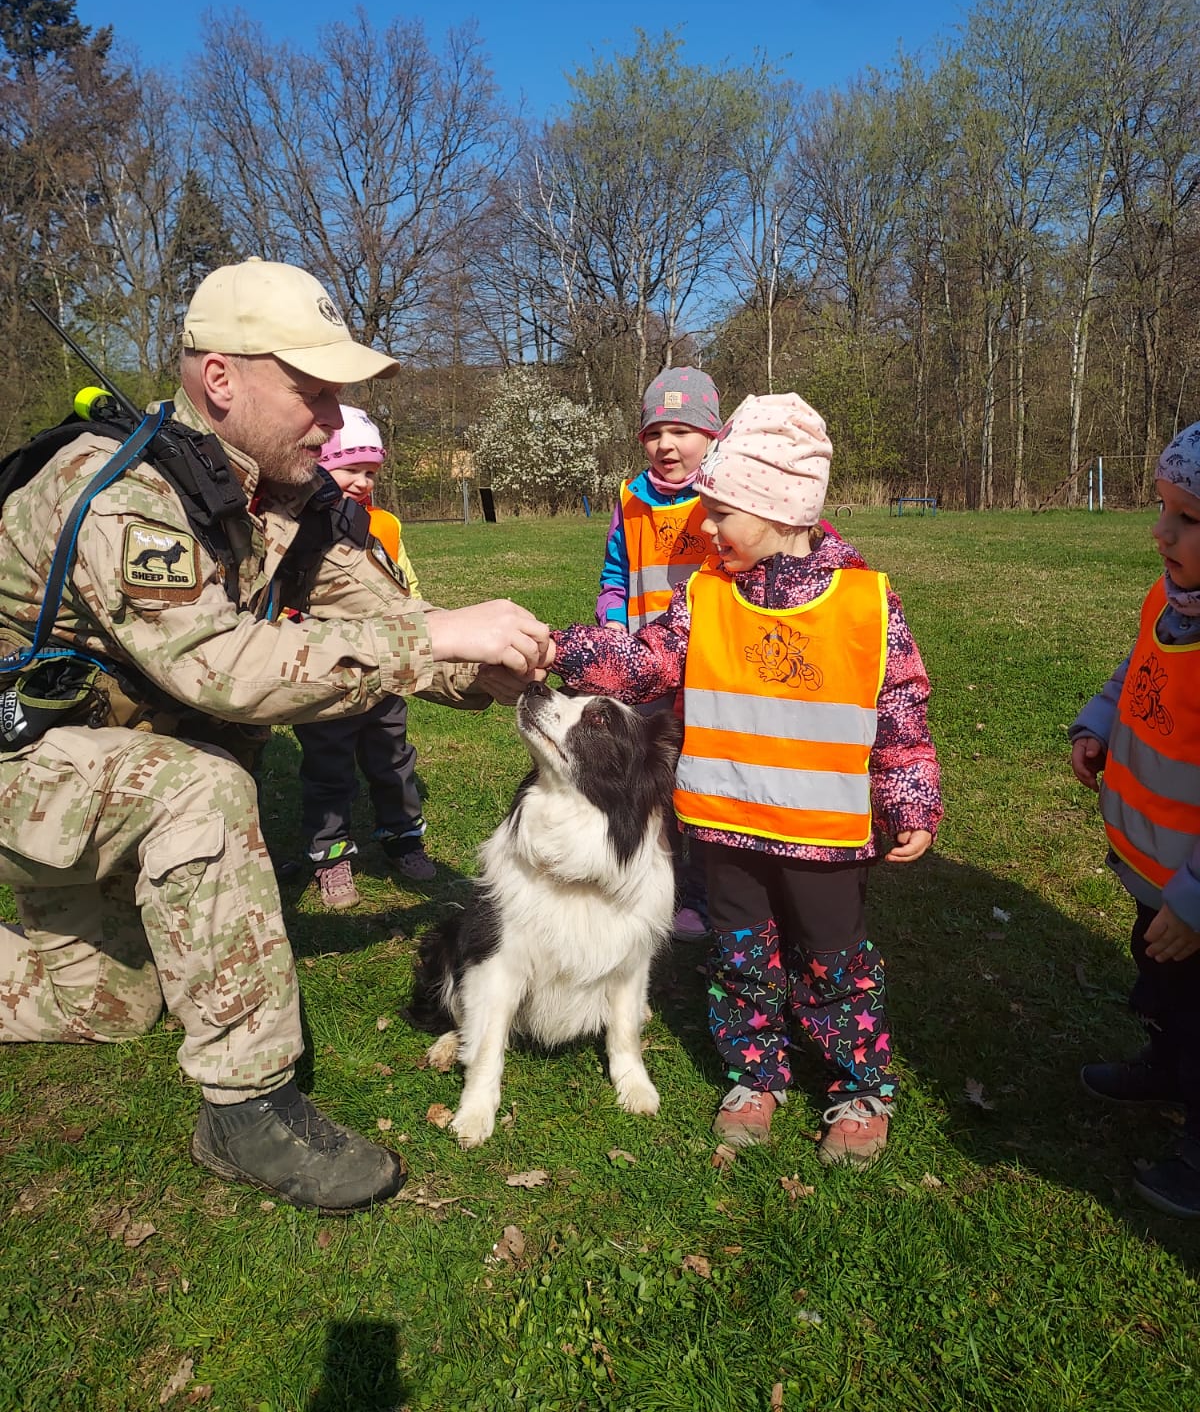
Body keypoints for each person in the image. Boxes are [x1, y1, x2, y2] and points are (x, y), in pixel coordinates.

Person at [0, 258, 551, 1215]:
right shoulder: (120, 493)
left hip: (99, 776)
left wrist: (482, 669)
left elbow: (387, 618)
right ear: (222, 379)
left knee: (122, 1003)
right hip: (24, 761)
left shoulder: (285, 506)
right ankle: (245, 1109)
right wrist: (432, 638)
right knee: (202, 786)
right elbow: (218, 666)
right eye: (313, 390)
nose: (333, 420)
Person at [554, 393, 942, 1166]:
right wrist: (557, 650)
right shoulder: (706, 595)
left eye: (721, 511)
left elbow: (898, 706)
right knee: (739, 954)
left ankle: (857, 1086)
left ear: (778, 512)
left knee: (835, 962)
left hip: (823, 836)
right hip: (725, 826)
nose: (704, 526)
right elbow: (645, 661)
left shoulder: (866, 603)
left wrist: (909, 799)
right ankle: (754, 1073)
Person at [1071, 420, 1200, 1219]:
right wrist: (1098, 723)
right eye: (1162, 509)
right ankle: (1165, 1064)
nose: (1161, 532)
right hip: (1156, 876)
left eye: (1187, 519)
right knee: (1161, 982)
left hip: (1193, 894)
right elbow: (1135, 672)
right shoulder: (1169, 597)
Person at [596, 367, 722, 940]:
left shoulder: (727, 494)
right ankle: (656, 885)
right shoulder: (630, 498)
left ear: (713, 436)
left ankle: (703, 892)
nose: (667, 446)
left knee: (705, 782)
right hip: (646, 671)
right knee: (654, 781)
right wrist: (614, 619)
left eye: (682, 431)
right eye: (654, 433)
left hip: (713, 671)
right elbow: (616, 572)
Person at [293, 407, 436, 908]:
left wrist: (418, 626)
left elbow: (405, 582)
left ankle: (403, 837)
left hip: (385, 664)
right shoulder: (296, 524)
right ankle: (330, 854)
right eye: (349, 469)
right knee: (328, 765)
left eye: (370, 472)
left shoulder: (386, 524)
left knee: (392, 757)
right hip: (325, 669)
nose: (361, 482)